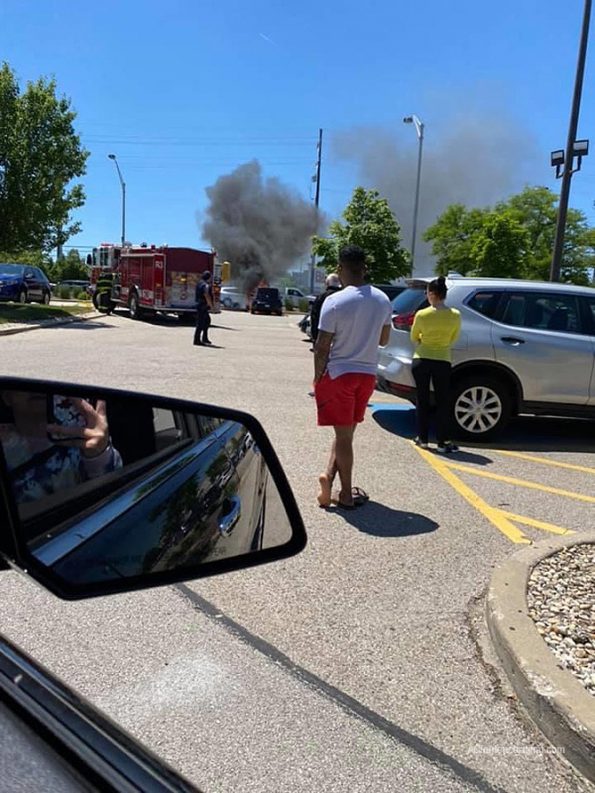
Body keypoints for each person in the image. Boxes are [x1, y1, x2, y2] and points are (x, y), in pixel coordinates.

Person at [313, 245, 392, 509]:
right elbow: (383, 339)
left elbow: (322, 345)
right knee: (345, 432)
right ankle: (328, 477)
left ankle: (345, 494)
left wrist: (317, 377)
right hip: (367, 375)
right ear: (365, 268)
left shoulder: (334, 301)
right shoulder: (382, 299)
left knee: (343, 435)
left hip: (340, 374)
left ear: (339, 269)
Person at [0, 391, 122, 505]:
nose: (36, 388)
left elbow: (111, 497)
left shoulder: (85, 440)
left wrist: (99, 453)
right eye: (25, 377)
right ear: (6, 396)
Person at [410, 275, 461, 453]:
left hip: (422, 358)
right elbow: (454, 337)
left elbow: (414, 336)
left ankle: (422, 438)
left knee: (422, 400)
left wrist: (424, 341)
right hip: (442, 359)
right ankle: (443, 440)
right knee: (442, 401)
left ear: (432, 294)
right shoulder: (455, 315)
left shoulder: (422, 314)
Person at [309, 272, 342, 348]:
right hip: (341, 343)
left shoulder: (321, 298)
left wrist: (315, 339)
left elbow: (314, 318)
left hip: (322, 339)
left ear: (327, 283)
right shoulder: (345, 297)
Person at [194, 271, 214, 346]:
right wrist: (211, 306)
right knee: (200, 323)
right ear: (208, 278)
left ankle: (204, 338)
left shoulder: (199, 283)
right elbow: (206, 295)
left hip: (199, 304)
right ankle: (197, 340)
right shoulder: (205, 285)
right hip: (202, 305)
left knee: (207, 321)